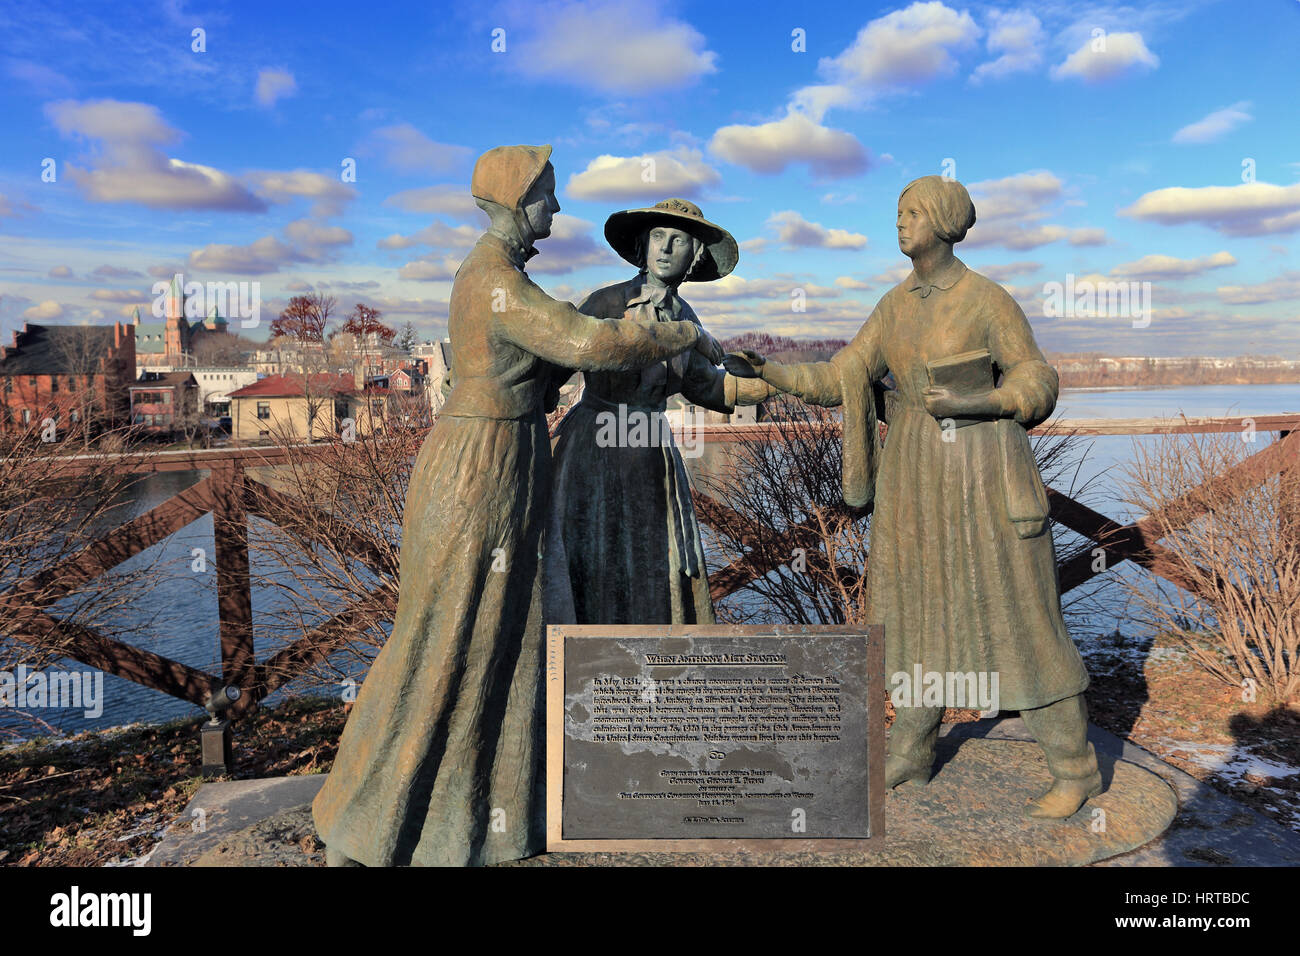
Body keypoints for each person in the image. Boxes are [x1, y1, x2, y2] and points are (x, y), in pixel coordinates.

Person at [312, 146, 723, 866]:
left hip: (509, 456)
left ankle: (490, 813)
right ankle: (375, 821)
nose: (556, 211)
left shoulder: (506, 279)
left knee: (504, 632)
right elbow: (590, 341)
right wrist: (679, 334)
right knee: (452, 633)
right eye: (548, 198)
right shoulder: (495, 281)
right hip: (484, 469)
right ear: (515, 199)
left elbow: (550, 362)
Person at [727, 175, 1101, 819]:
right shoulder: (894, 305)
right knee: (914, 615)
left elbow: (1037, 378)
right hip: (912, 479)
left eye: (912, 212)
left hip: (984, 475)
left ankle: (1075, 765)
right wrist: (772, 373)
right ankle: (911, 748)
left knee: (1021, 618)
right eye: (897, 212)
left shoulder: (987, 299)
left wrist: (984, 400)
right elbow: (842, 375)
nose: (900, 223)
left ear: (946, 221)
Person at [548, 198, 775, 625]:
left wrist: (777, 380)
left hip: (651, 452)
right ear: (642, 245)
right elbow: (556, 363)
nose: (665, 248)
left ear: (696, 256)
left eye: (679, 240)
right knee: (595, 557)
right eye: (657, 236)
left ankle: (646, 667)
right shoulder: (608, 302)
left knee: (651, 563)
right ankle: (585, 667)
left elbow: (709, 386)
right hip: (595, 448)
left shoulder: (685, 314)